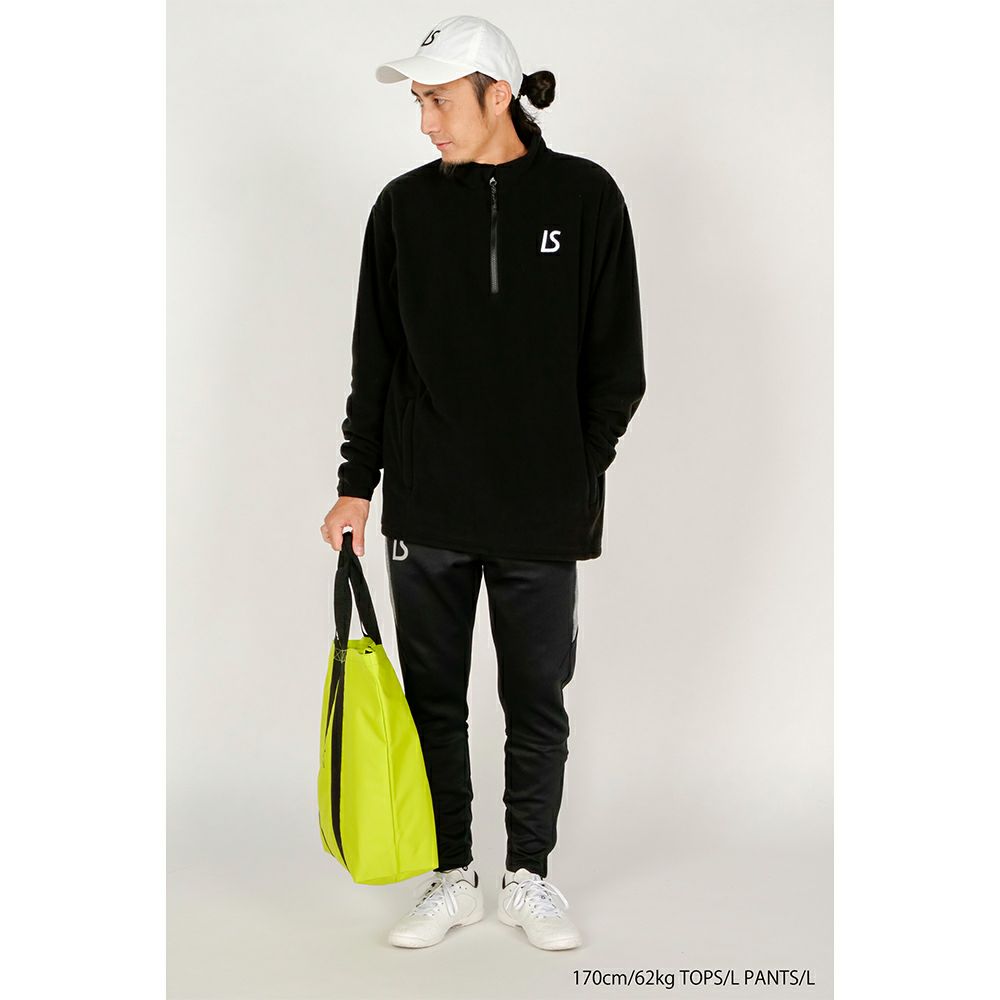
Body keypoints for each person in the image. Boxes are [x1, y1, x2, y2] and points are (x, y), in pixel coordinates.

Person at [319, 14, 646, 951]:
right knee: (434, 702)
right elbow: (375, 362)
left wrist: (574, 468)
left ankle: (529, 876)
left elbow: (617, 365)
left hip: (543, 512)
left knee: (535, 701)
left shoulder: (586, 197)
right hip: (428, 507)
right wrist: (357, 483)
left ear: (498, 95)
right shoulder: (401, 209)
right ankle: (453, 875)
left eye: (439, 101)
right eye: (418, 103)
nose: (425, 122)